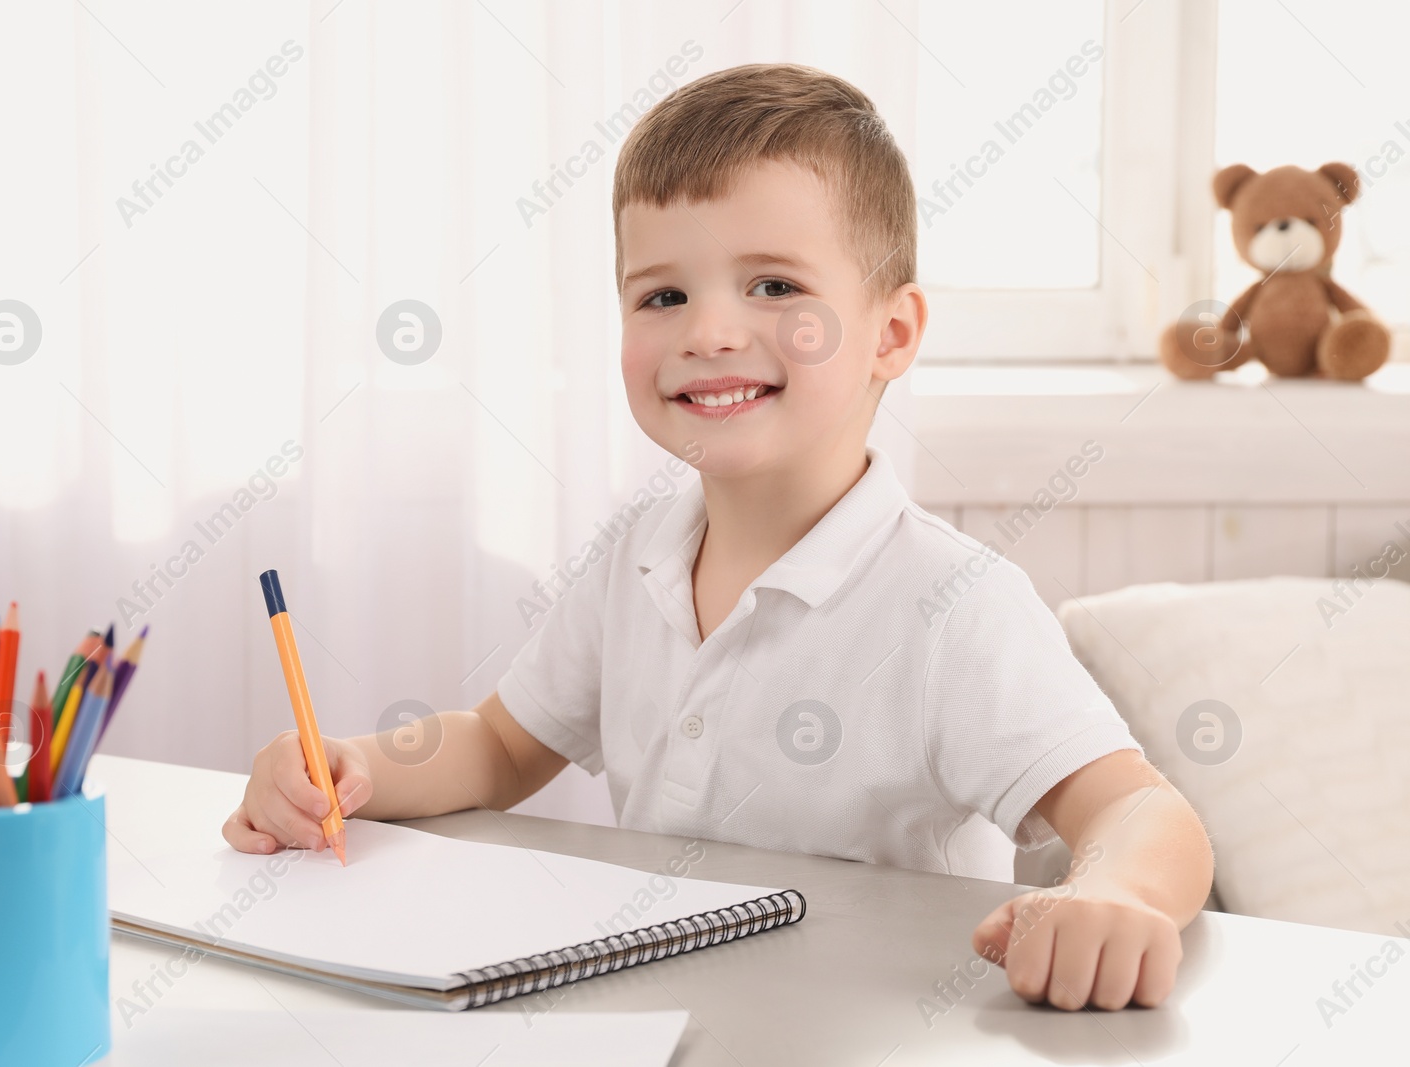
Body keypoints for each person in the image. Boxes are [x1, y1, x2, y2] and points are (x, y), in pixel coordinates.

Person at [224, 62, 1214, 1012]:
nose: (709, 330)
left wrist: (1118, 897)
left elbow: (1138, 810)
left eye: (774, 286)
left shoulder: (953, 602)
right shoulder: (634, 555)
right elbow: (494, 746)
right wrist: (353, 764)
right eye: (663, 295)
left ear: (892, 333)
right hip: (663, 1020)